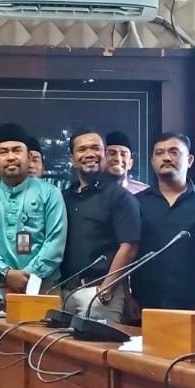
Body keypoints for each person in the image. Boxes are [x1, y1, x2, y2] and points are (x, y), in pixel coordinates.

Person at [130, 132, 195, 314]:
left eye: (174, 152)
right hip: (144, 307)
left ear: (190, 160)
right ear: (152, 161)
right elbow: (126, 250)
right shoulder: (135, 203)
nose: (166, 158)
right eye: (159, 153)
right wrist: (126, 296)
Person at [59, 129, 141, 322]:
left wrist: (106, 290)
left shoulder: (120, 197)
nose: (89, 154)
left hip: (99, 293)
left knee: (96, 343)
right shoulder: (64, 197)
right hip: (64, 293)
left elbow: (129, 247)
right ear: (72, 159)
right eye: (82, 149)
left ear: (104, 154)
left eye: (96, 148)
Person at [0, 123, 66, 292]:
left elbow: (55, 243)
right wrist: (5, 272)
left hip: (42, 286)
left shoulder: (50, 194)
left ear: (29, 157)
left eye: (17, 150)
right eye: (3, 152)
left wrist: (29, 275)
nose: (10, 157)